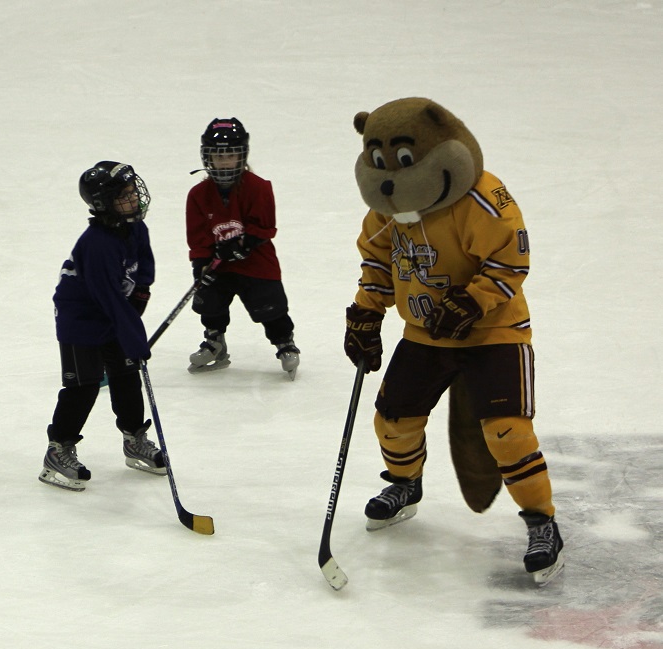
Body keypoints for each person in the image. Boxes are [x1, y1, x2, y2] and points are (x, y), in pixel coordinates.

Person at [346, 96, 564, 584]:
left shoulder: (483, 199)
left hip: (494, 332)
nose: (389, 180)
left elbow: (510, 263)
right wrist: (366, 312)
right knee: (392, 421)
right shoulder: (385, 212)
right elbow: (377, 263)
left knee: (507, 432)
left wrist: (472, 301)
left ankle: (541, 522)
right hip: (426, 332)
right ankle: (405, 484)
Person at [39, 161, 165, 492]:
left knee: (126, 376)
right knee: (84, 385)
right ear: (103, 203)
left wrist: (140, 295)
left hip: (112, 310)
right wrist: (133, 333)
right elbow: (107, 298)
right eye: (123, 196)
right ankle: (58, 450)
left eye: (132, 191)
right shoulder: (97, 244)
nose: (133, 198)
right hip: (80, 318)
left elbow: (143, 267)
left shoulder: (136, 227)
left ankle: (134, 440)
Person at [186, 118, 299, 378]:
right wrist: (200, 265)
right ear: (207, 158)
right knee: (209, 301)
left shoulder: (258, 187)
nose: (225, 162)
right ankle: (215, 341)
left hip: (256, 262)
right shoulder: (198, 195)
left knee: (270, 305)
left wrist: (242, 244)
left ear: (242, 155)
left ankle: (284, 342)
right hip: (218, 264)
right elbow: (198, 237)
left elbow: (264, 227)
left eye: (231, 155)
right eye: (218, 156)